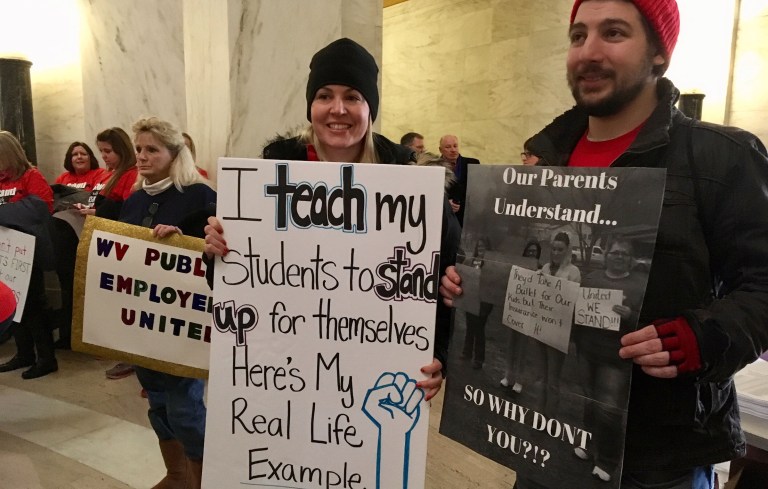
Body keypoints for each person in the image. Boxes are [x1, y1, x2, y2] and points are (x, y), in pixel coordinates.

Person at [442, 0, 768, 487]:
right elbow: (526, 272)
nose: (588, 52)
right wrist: (469, 280)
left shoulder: (720, 158)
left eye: (613, 33)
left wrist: (701, 337)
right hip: (545, 446)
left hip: (658, 458)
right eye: (578, 36)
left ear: (659, 53)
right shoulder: (545, 163)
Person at [205, 37, 459, 401]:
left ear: (370, 107)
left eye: (352, 97)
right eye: (325, 95)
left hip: (378, 372)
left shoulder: (413, 182)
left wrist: (440, 353)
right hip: (284, 370)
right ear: (311, 105)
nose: (337, 109)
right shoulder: (270, 175)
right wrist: (217, 251)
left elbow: (451, 270)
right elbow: (235, 284)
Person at [122, 117, 215, 489]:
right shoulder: (134, 199)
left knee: (185, 408)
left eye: (152, 150)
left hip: (184, 323)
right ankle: (176, 475)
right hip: (143, 319)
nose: (142, 156)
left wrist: (183, 242)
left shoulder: (200, 195)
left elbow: (220, 252)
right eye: (138, 149)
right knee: (157, 402)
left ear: (175, 154)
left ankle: (203, 480)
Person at [573, 236, 646, 482]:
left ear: (631, 259)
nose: (618, 256)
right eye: (614, 252)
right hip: (587, 351)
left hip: (616, 358)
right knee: (589, 401)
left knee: (609, 410)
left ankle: (607, 460)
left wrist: (630, 315)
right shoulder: (591, 279)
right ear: (606, 255)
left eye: (624, 254)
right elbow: (577, 310)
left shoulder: (639, 286)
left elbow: (649, 325)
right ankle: (587, 444)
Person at [0, 131, 58, 379]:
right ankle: (24, 354)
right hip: (4, 253)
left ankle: (46, 358)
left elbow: (40, 209)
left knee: (34, 305)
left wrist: (4, 212)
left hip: (27, 252)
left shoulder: (31, 176)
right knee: (12, 304)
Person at [500, 239, 542, 393]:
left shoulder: (540, 270)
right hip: (515, 311)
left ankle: (519, 380)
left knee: (522, 349)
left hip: (528, 315)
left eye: (534, 251)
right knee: (511, 345)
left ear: (538, 254)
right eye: (529, 251)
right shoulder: (517, 267)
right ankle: (508, 376)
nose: (531, 253)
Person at [461, 237, 493, 369]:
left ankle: (479, 359)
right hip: (470, 299)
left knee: (479, 329)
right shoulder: (471, 261)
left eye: (483, 247)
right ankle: (467, 353)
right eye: (479, 246)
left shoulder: (491, 265)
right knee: (470, 327)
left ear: (488, 249)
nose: (481, 249)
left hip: (484, 302)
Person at [438, 134, 479, 225]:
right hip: (443, 217)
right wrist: (445, 203)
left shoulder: (473, 163)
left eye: (455, 146)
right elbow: (432, 192)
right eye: (448, 147)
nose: (453, 150)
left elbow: (477, 191)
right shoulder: (434, 167)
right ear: (440, 150)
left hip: (467, 216)